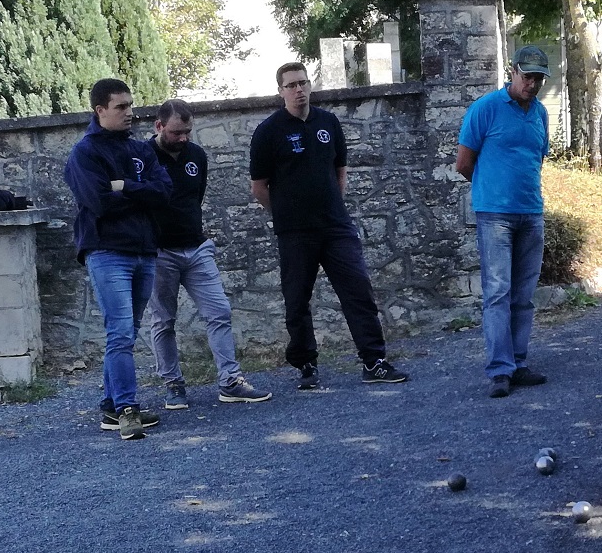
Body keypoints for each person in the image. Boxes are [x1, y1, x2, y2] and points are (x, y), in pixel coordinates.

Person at [249, 62, 408, 390]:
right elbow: (259, 186)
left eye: (303, 83)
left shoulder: (328, 123)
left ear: (310, 86)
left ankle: (373, 361)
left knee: (358, 291)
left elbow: (340, 171)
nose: (299, 90)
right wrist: (283, 215)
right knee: (297, 299)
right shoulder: (268, 131)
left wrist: (332, 205)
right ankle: (306, 365)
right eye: (291, 85)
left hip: (335, 226)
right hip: (294, 231)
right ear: (280, 91)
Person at [65, 78, 173, 440]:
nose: (130, 112)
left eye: (130, 105)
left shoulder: (142, 150)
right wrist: (140, 194)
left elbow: (164, 192)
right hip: (108, 252)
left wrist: (125, 186)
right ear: (100, 111)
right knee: (121, 332)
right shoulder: (85, 153)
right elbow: (97, 202)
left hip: (144, 251)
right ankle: (128, 410)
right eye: (121, 107)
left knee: (126, 332)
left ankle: (111, 407)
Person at [147, 99, 272, 409]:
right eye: (177, 132)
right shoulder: (141, 156)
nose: (184, 138)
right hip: (159, 252)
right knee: (163, 320)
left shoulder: (197, 156)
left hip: (197, 248)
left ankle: (230, 382)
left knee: (219, 312)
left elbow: (195, 197)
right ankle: (173, 385)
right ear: (159, 126)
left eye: (188, 131)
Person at [455, 45, 551, 399]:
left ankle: (519, 363)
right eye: (527, 76)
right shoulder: (485, 109)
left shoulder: (540, 114)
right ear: (512, 71)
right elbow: (463, 163)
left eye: (538, 78)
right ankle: (500, 370)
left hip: (531, 212)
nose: (532, 83)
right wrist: (490, 191)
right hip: (495, 214)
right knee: (498, 293)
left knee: (524, 295)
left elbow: (536, 160)